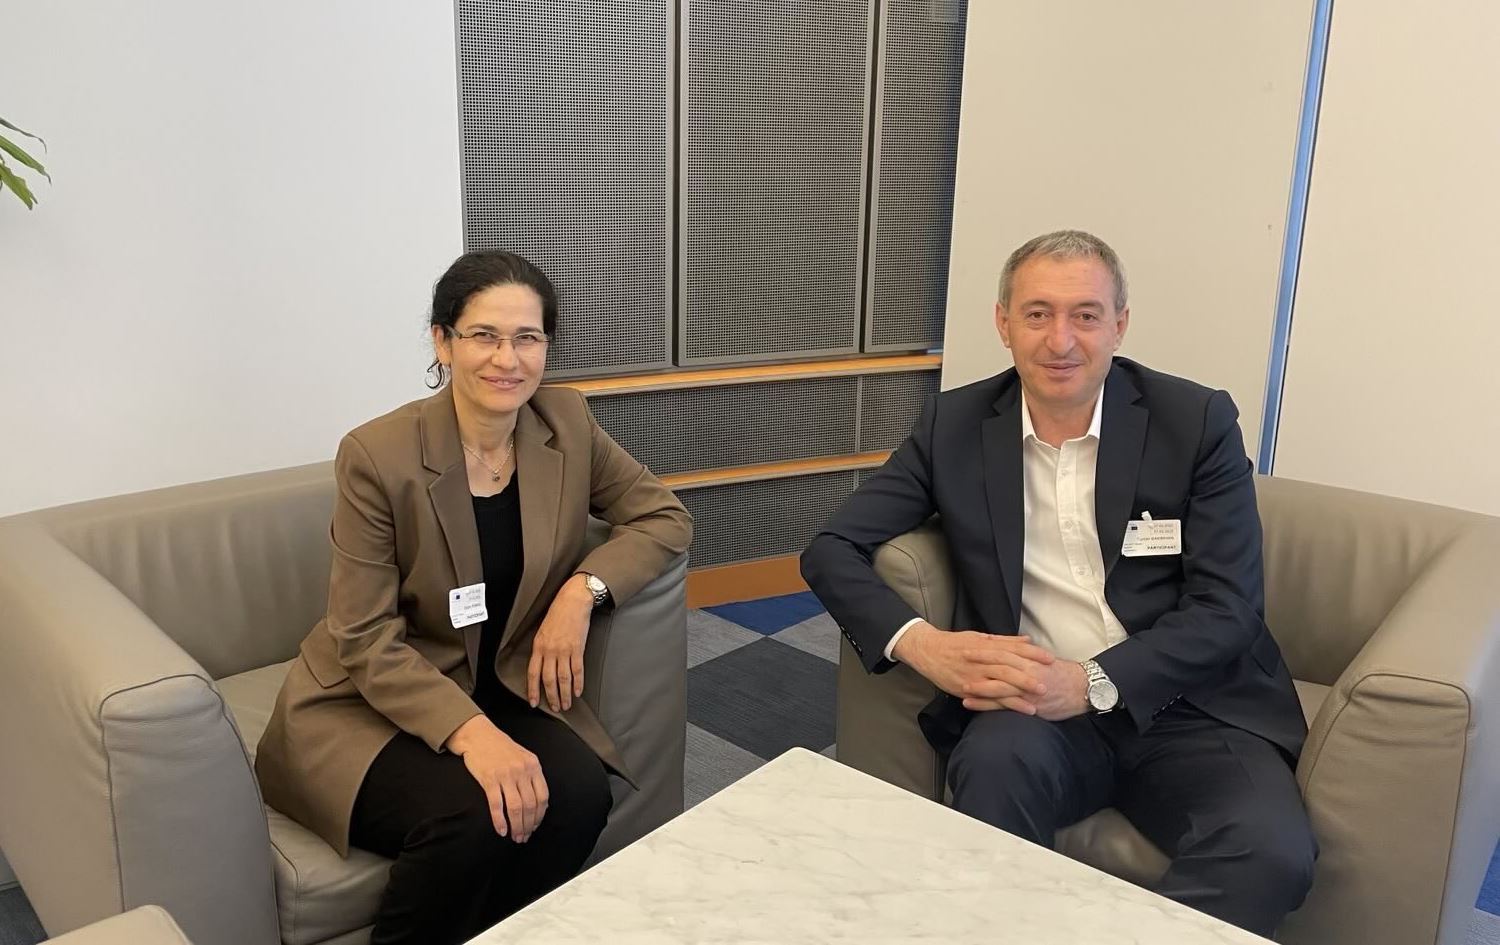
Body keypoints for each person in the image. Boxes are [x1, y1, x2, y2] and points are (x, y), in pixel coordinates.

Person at [801, 230, 1315, 935]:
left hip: (1187, 704)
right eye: (1038, 313)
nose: (1060, 340)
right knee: (989, 782)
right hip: (1032, 706)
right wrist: (926, 646)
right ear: (1003, 323)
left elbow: (1228, 607)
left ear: (1120, 325)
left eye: (1086, 315)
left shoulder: (1194, 421)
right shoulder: (954, 426)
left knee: (1271, 851)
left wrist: (1094, 681)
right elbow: (831, 549)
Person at [256, 250, 693, 945]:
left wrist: (582, 592)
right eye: (483, 335)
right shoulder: (378, 455)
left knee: (580, 794)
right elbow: (363, 637)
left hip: (500, 681)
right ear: (443, 341)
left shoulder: (566, 422)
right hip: (370, 699)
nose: (507, 359)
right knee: (470, 814)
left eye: (527, 337)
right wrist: (476, 735)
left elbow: (663, 516)